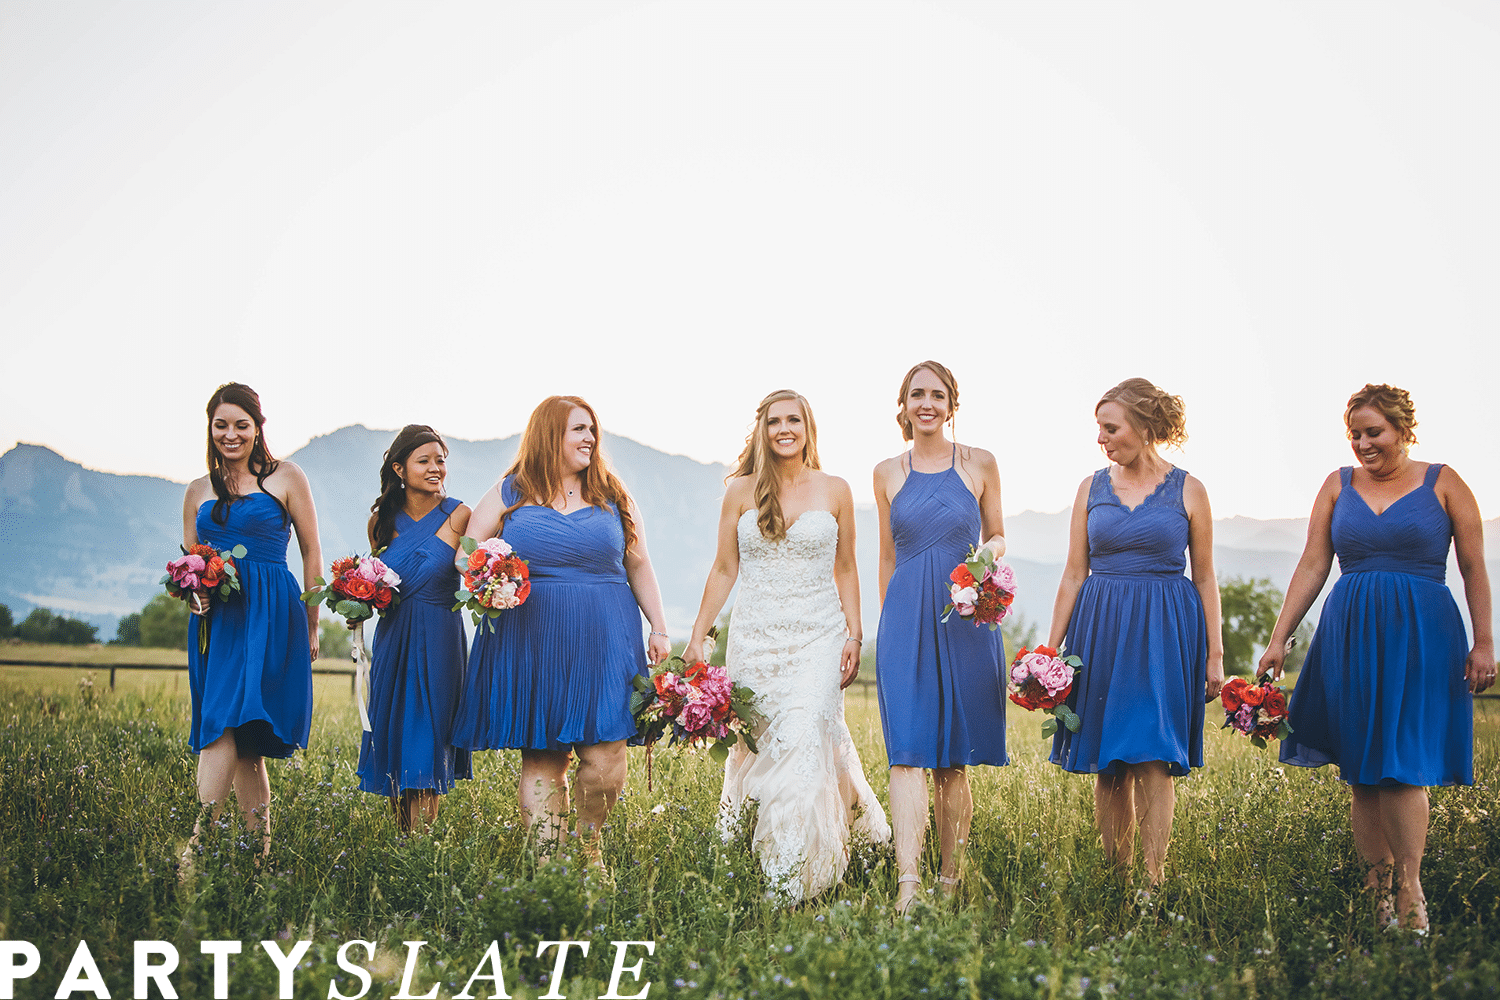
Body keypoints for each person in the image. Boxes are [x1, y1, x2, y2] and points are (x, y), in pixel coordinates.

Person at [1258, 383, 1493, 932]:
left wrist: (1484, 642)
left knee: (1401, 763)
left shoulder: (1445, 483)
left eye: (1374, 432)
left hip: (1422, 636)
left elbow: (1475, 568)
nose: (1363, 444)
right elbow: (1313, 564)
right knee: (1364, 770)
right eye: (1355, 435)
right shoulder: (1338, 486)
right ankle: (1377, 896)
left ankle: (1412, 892)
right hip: (1351, 632)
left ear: (1403, 430)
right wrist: (1278, 639)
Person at [684, 389, 891, 903]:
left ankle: (793, 879)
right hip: (756, 640)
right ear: (762, 429)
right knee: (764, 747)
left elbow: (846, 568)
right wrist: (697, 635)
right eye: (774, 421)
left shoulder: (836, 489)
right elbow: (725, 568)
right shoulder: (740, 491)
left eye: (793, 420)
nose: (783, 429)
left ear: (808, 427)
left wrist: (854, 631)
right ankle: (772, 856)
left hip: (819, 637)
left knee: (802, 739)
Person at [452, 396, 671, 870]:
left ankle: (587, 845)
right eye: (578, 429)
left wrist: (659, 626)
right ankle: (550, 869)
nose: (590, 438)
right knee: (544, 756)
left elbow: (638, 562)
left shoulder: (614, 494)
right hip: (533, 635)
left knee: (607, 755)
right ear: (550, 434)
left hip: (606, 634)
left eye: (592, 429)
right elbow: (466, 553)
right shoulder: (512, 490)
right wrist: (492, 577)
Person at [1046, 377, 1224, 889]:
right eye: (1098, 429)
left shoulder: (1189, 489)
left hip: (1165, 629)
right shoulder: (1090, 488)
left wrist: (1214, 653)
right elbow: (1074, 573)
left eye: (1110, 427)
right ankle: (1117, 876)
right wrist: (1051, 649)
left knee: (1153, 754)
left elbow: (1206, 575)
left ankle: (1153, 879)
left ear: (1144, 426)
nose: (1101, 439)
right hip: (1100, 627)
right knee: (1109, 760)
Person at [873, 361, 1008, 913]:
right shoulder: (885, 472)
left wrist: (986, 557)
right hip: (905, 618)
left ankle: (950, 881)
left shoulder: (980, 464)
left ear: (953, 404)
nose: (926, 403)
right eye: (916, 394)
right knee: (905, 754)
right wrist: (889, 625)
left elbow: (998, 533)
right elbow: (886, 556)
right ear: (902, 406)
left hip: (966, 617)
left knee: (953, 758)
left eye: (937, 394)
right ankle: (908, 885)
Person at [182, 382, 321, 859]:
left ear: (257, 427)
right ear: (211, 428)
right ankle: (218, 847)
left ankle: (231, 853)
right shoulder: (198, 491)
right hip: (217, 619)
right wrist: (194, 598)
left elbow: (310, 551)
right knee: (223, 724)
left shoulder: (286, 476)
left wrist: (312, 622)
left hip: (271, 614)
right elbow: (190, 563)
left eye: (241, 425)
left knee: (245, 735)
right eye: (221, 425)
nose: (231, 434)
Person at [355, 425, 473, 832]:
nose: (436, 468)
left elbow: (472, 572)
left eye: (441, 460)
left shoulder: (460, 514)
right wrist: (356, 605)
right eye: (424, 461)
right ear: (399, 468)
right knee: (396, 739)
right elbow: (376, 589)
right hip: (393, 640)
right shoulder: (380, 522)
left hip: (441, 639)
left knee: (427, 741)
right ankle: (403, 842)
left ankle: (420, 847)